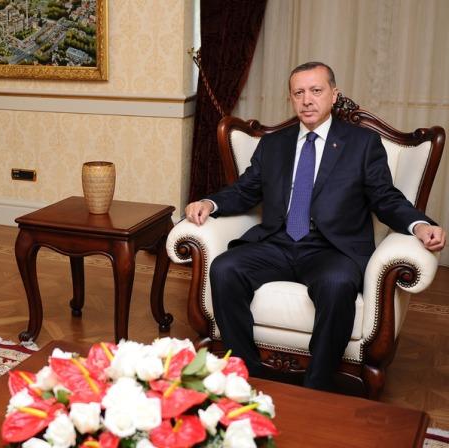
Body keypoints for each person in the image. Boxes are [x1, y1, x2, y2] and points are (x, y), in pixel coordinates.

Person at [184, 62, 446, 390]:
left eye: (316, 90)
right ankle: (247, 373)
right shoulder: (274, 144)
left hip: (332, 248)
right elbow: (245, 190)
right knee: (225, 268)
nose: (307, 100)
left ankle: (317, 384)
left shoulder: (362, 144)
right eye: (299, 93)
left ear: (334, 95)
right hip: (278, 242)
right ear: (291, 99)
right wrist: (210, 203)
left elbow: (385, 198)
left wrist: (419, 225)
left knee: (337, 283)